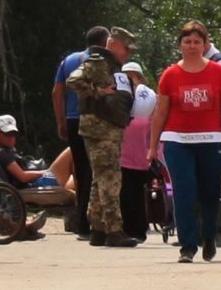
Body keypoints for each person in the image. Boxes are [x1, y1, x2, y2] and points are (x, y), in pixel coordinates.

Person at [148, 21, 221, 263]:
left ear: (205, 44)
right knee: (184, 192)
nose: (192, 46)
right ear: (180, 45)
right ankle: (188, 245)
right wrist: (152, 147)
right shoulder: (170, 75)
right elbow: (161, 113)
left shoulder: (218, 72)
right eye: (187, 42)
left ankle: (209, 236)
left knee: (210, 192)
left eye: (197, 42)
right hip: (177, 141)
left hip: (211, 139)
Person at [66, 26, 138, 248]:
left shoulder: (114, 66)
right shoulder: (98, 62)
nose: (128, 54)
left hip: (108, 127)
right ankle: (114, 230)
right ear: (114, 45)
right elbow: (72, 81)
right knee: (110, 179)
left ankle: (97, 228)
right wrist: (97, 91)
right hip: (100, 128)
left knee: (100, 178)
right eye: (126, 49)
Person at [53, 26, 108, 239]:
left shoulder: (68, 61)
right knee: (97, 171)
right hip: (95, 119)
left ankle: (82, 222)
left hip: (73, 119)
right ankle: (94, 221)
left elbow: (57, 92)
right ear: (104, 42)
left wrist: (61, 120)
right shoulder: (102, 60)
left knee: (81, 171)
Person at [0, 115, 49, 240]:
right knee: (70, 153)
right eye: (7, 134)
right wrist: (46, 172)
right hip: (28, 184)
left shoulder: (9, 152)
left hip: (32, 182)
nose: (11, 138)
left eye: (13, 134)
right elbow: (23, 177)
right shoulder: (3, 154)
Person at [119, 61, 152, 242]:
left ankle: (139, 229)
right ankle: (126, 228)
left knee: (138, 193)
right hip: (121, 156)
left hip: (141, 156)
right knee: (124, 193)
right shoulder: (119, 97)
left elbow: (155, 127)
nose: (129, 79)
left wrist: (154, 152)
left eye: (132, 76)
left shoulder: (148, 99)